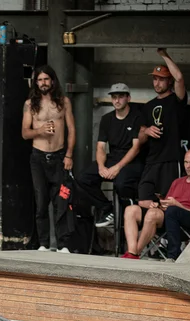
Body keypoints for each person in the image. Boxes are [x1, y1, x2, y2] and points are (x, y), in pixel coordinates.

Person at [21, 65, 76, 253]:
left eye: (46, 79)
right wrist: (40, 131)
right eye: (40, 80)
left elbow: (72, 129)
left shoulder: (64, 101)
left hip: (60, 156)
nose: (43, 83)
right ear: (35, 82)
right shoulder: (30, 104)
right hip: (38, 157)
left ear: (52, 80)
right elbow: (25, 133)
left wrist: (69, 154)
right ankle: (43, 243)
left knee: (61, 201)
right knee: (41, 201)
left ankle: (63, 244)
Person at [76, 83, 144, 228]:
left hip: (131, 161)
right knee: (83, 178)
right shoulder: (106, 119)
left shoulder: (137, 117)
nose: (117, 100)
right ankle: (107, 208)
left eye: (120, 97)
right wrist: (101, 167)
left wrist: (117, 168)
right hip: (112, 157)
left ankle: (127, 217)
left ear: (128, 98)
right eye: (114, 97)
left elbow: (136, 148)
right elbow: (100, 146)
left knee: (121, 183)